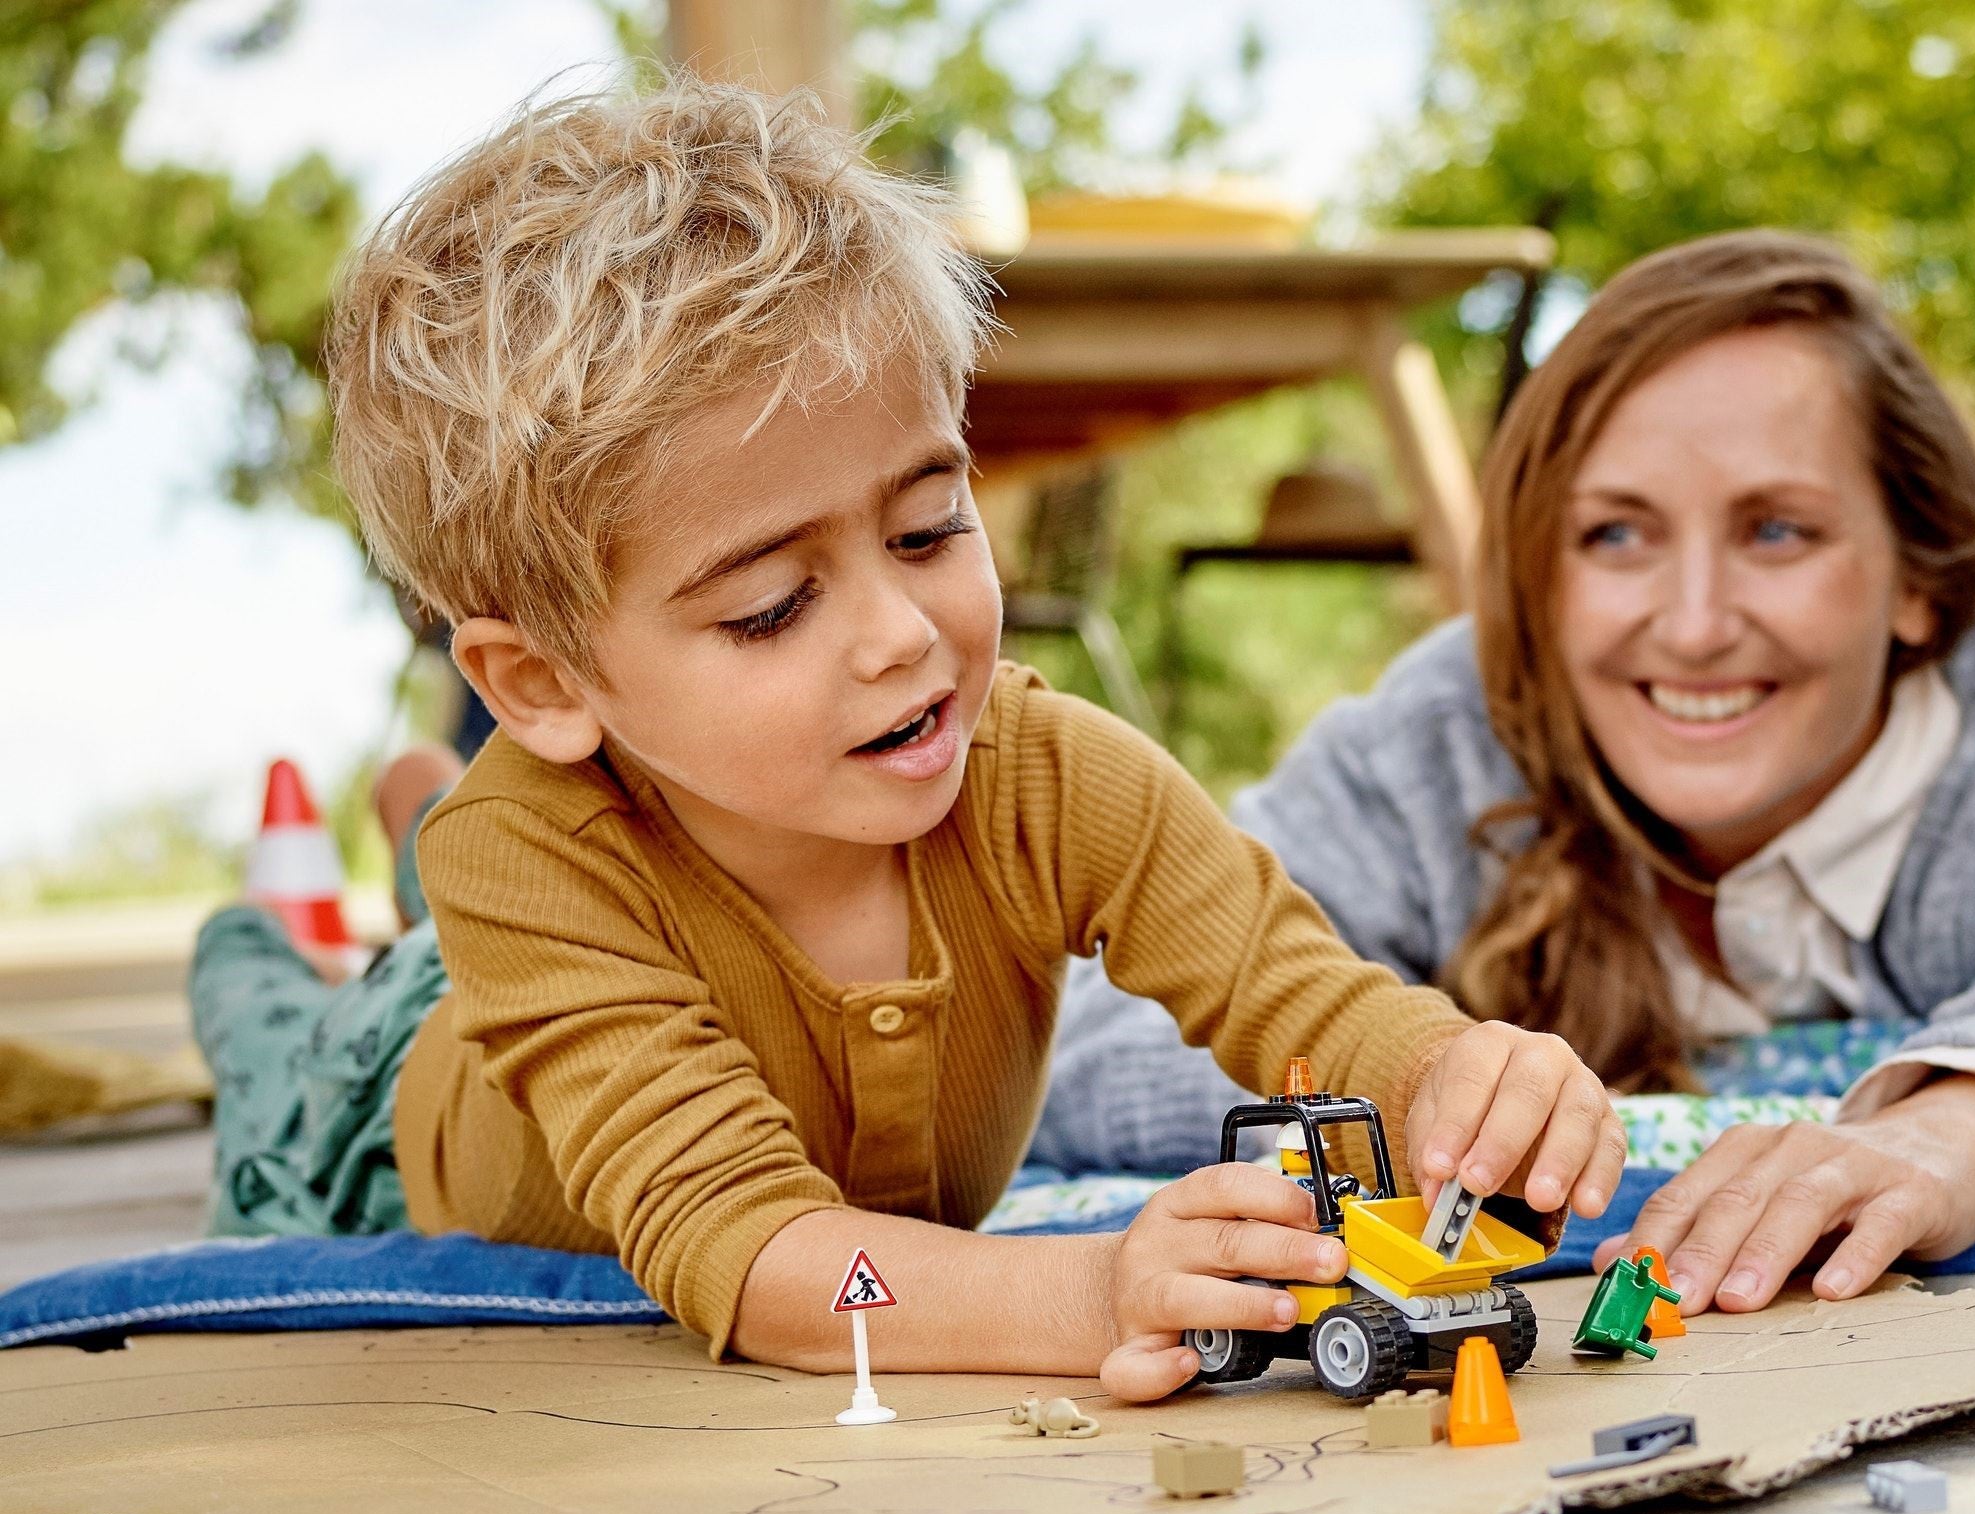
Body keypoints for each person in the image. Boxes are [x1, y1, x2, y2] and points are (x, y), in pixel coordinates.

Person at [185, 77, 1628, 1403]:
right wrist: (1087, 1288)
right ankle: (336, 890)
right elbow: (752, 1253)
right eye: (769, 607)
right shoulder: (531, 863)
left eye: (930, 526)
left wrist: (1455, 1079)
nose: (899, 634)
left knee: (450, 889)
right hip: (372, 1118)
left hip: (547, 898)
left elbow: (1304, 1000)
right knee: (283, 1017)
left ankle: (415, 828)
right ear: (547, 681)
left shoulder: (1051, 778)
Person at [1035, 229, 1975, 1317]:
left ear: (1920, 578)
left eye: (1778, 532)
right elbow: (1099, 1019)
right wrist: (1418, 1068)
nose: (1691, 623)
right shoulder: (1446, 734)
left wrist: (1947, 1139)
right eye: (1618, 536)